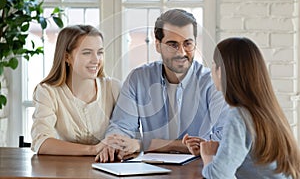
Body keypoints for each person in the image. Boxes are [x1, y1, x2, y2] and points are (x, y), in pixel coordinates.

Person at [96, 9, 228, 162]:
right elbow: (121, 128)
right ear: (157, 45)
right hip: (151, 170)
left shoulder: (212, 82)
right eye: (173, 45)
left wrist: (145, 144)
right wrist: (115, 144)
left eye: (188, 44)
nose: (182, 52)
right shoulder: (138, 78)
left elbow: (224, 139)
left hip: (199, 169)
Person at [183, 37, 300, 178]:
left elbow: (218, 176)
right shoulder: (265, 111)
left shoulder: (239, 115)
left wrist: (208, 157)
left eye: (213, 64)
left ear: (221, 72)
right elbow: (251, 156)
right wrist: (218, 150)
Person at [31, 24, 121, 155]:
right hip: (62, 170)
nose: (96, 60)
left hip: (107, 170)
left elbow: (129, 134)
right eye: (87, 53)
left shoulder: (114, 87)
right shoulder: (47, 91)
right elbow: (41, 142)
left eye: (100, 52)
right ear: (67, 57)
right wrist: (93, 150)